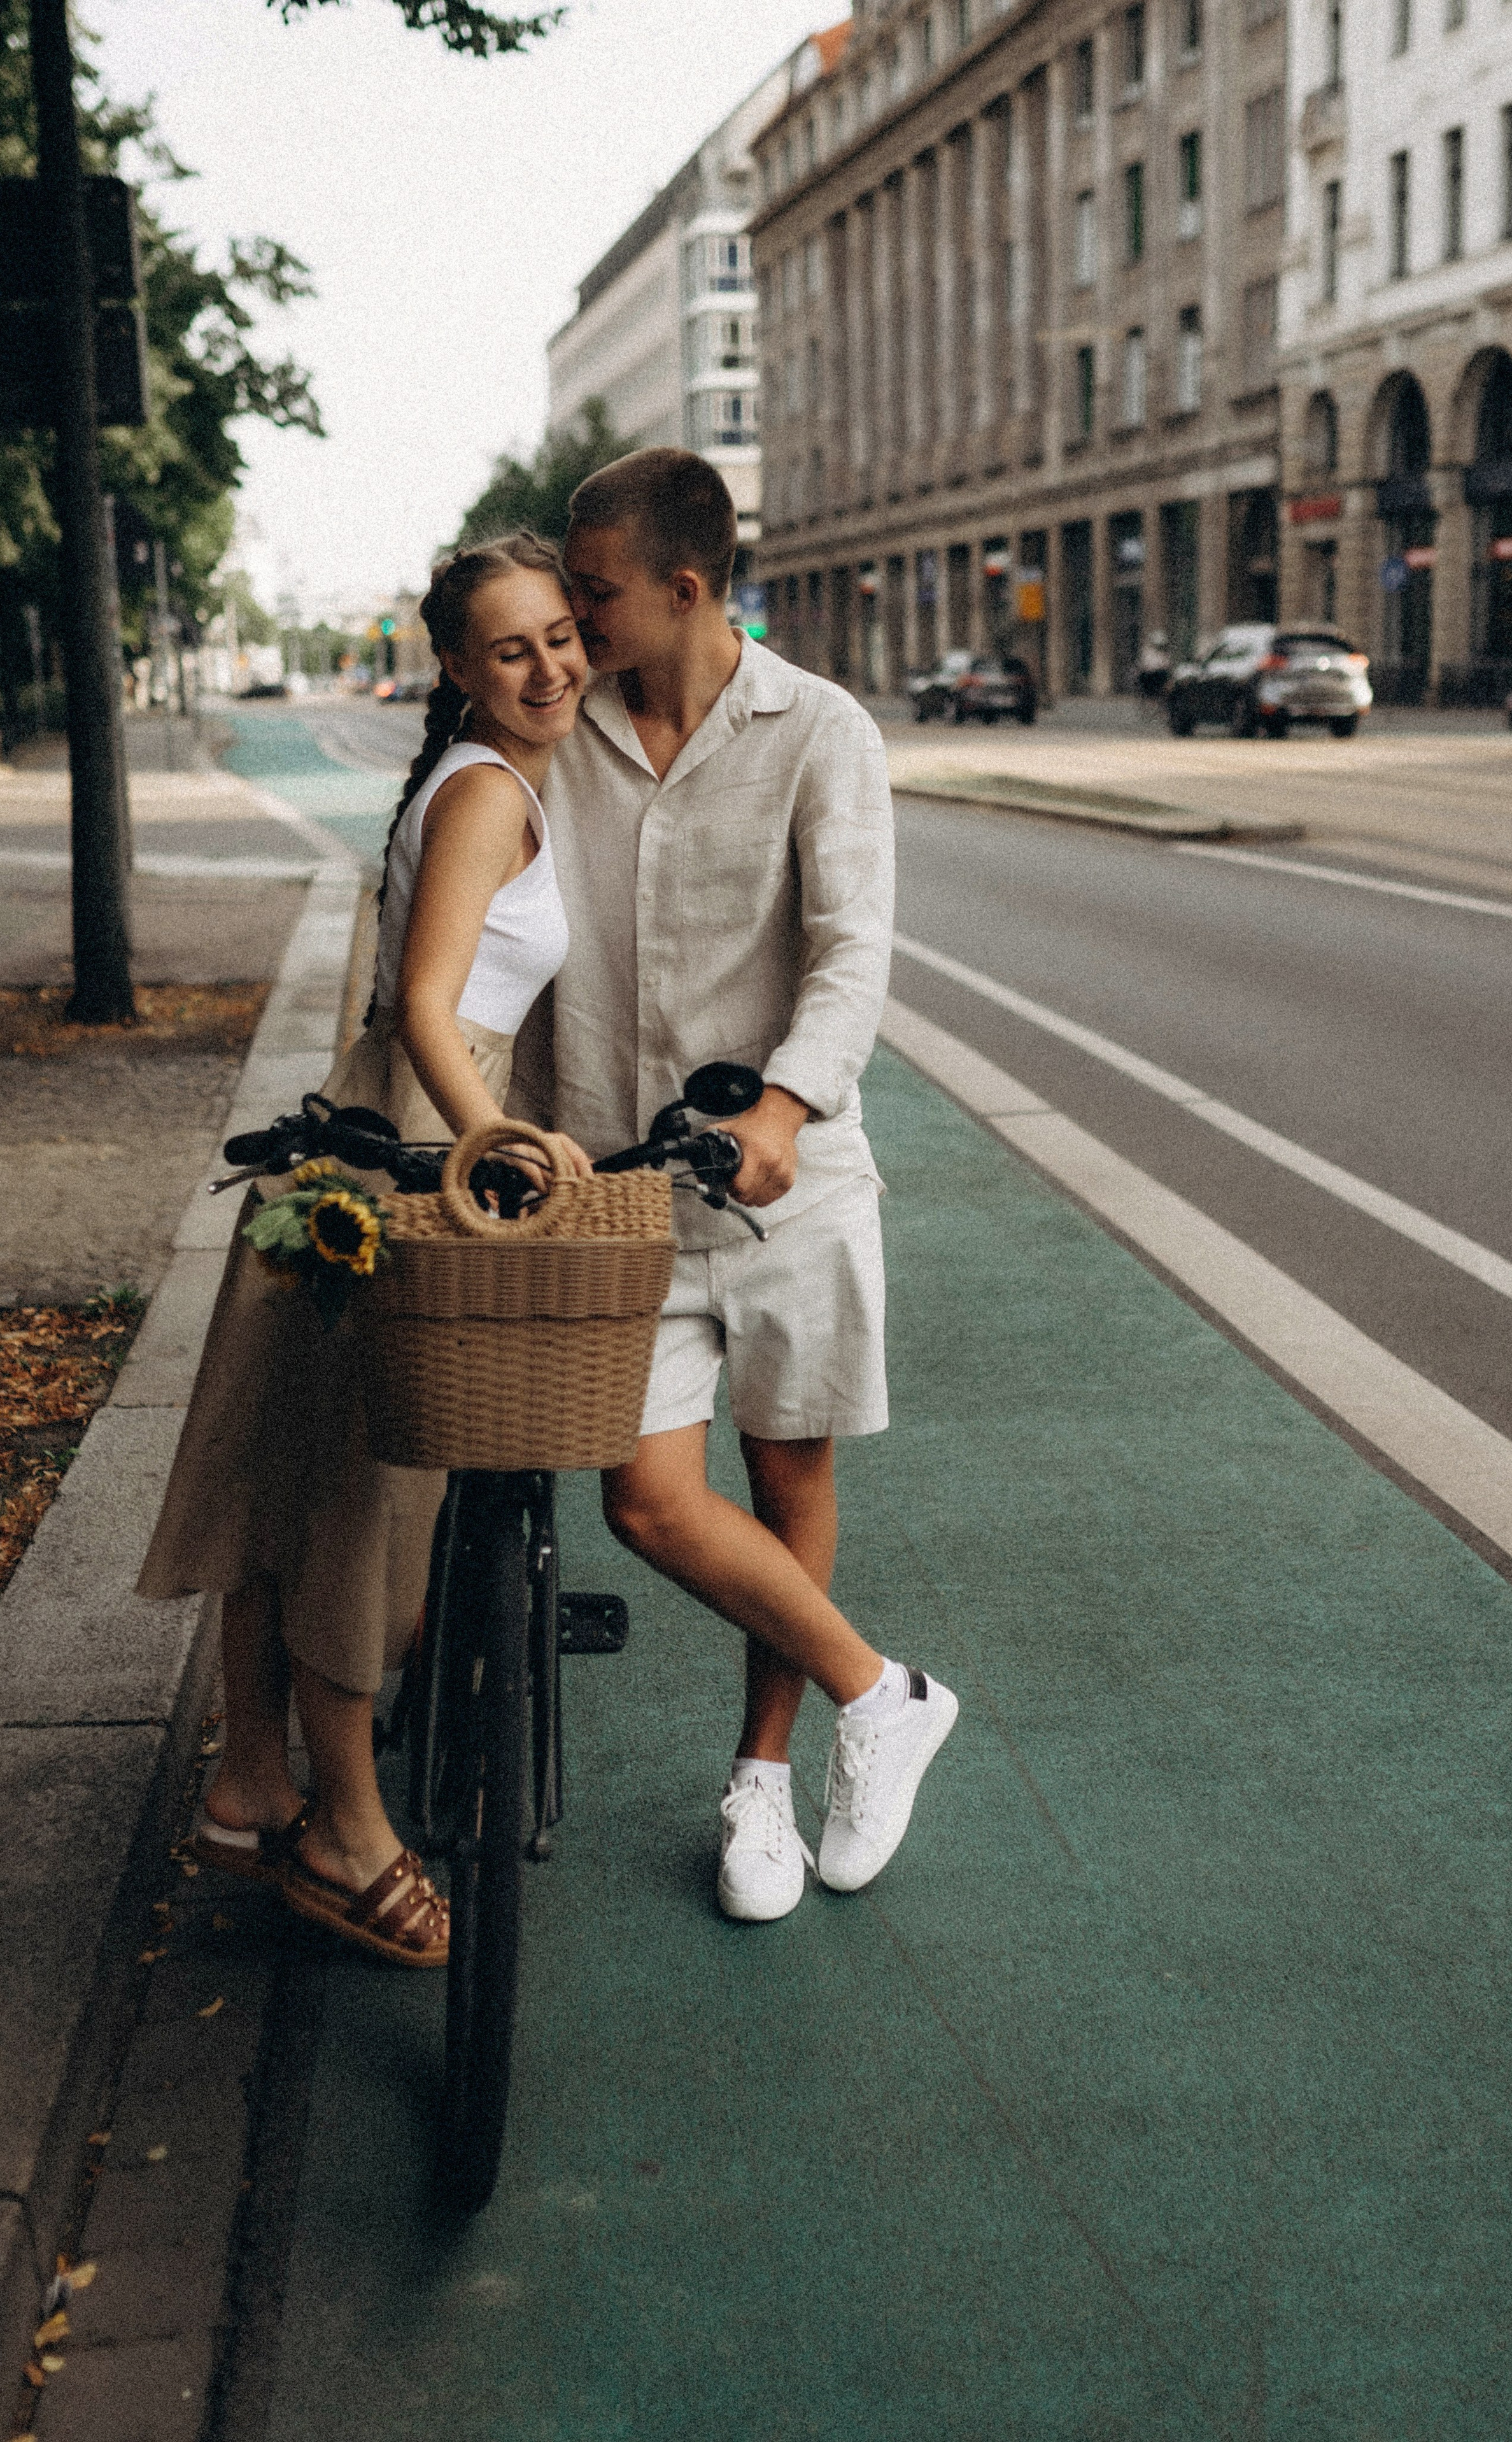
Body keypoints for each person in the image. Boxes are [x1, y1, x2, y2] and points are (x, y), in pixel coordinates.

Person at [516, 448, 957, 1925]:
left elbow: (850, 947)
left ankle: (763, 1777)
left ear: (685, 589)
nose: (575, 625)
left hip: (785, 1177)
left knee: (787, 1478)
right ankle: (878, 1690)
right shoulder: (555, 730)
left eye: (594, 594)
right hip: (613, 1187)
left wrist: (782, 1099)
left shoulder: (818, 729)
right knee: (644, 1500)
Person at [138, 533, 591, 1967]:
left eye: (563, 634)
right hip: (410, 1131)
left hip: (367, 1129)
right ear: (454, 667)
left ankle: (248, 1781)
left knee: (300, 1471)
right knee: (364, 1496)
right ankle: (347, 1823)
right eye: (510, 648)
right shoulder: (485, 792)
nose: (549, 667)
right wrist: (490, 1145)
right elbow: (427, 999)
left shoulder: (478, 778)